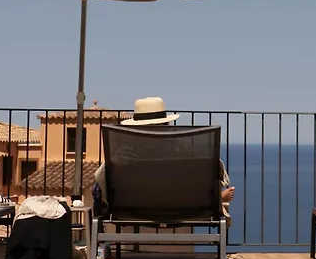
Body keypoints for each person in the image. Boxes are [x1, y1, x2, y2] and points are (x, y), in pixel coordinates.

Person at [93, 96, 235, 224]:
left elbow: (101, 186)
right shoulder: (181, 151)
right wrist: (216, 199)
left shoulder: (123, 154)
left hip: (131, 211)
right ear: (165, 125)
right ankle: (212, 201)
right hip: (183, 211)